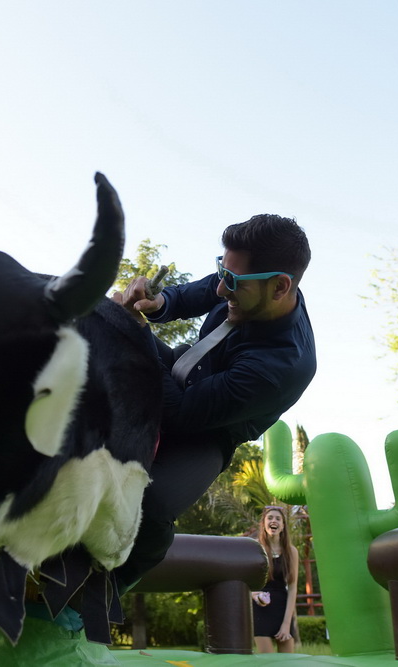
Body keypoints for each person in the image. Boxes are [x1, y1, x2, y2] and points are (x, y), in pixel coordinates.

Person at [111, 214, 316, 591]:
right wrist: (158, 303)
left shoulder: (282, 366)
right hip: (180, 371)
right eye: (223, 270)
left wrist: (137, 336)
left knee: (153, 508)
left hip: (206, 431)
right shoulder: (244, 282)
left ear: (279, 287)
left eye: (232, 281)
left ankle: (104, 593)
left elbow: (181, 414)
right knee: (103, 317)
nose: (222, 290)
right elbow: (196, 292)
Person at [251, 506, 299, 653]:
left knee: (287, 662)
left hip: (282, 608)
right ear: (264, 524)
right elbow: (246, 583)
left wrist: (286, 624)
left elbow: (292, 587)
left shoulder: (291, 551)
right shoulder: (254, 548)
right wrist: (255, 595)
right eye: (270, 518)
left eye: (278, 519)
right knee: (268, 662)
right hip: (260, 609)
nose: (274, 521)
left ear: (283, 526)